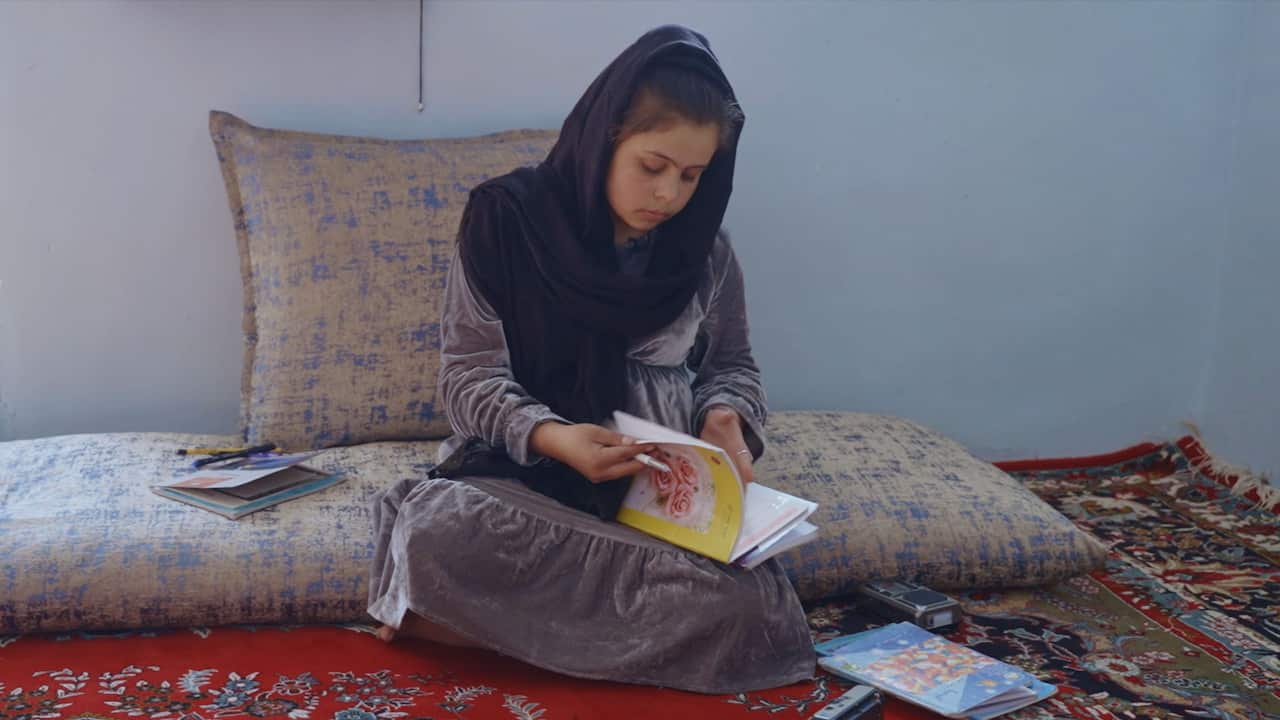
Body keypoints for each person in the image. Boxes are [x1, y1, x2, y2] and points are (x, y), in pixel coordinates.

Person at [366, 25, 815, 694]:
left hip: (657, 502)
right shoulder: (506, 221)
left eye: (692, 176)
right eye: (652, 166)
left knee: (753, 608)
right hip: (527, 482)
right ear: (606, 137)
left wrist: (725, 417)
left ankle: (479, 630)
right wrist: (555, 437)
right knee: (439, 532)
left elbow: (732, 366)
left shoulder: (704, 253)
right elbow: (467, 375)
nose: (668, 195)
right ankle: (571, 637)